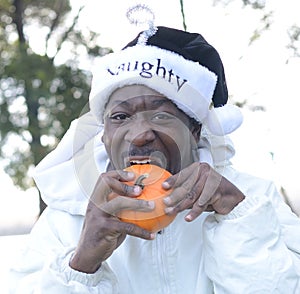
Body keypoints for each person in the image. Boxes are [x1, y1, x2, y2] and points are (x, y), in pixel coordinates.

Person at [9, 23, 300, 293]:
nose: (138, 135)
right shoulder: (66, 217)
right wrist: (82, 263)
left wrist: (237, 219)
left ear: (195, 130)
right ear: (104, 133)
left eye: (161, 115)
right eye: (120, 117)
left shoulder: (253, 200)